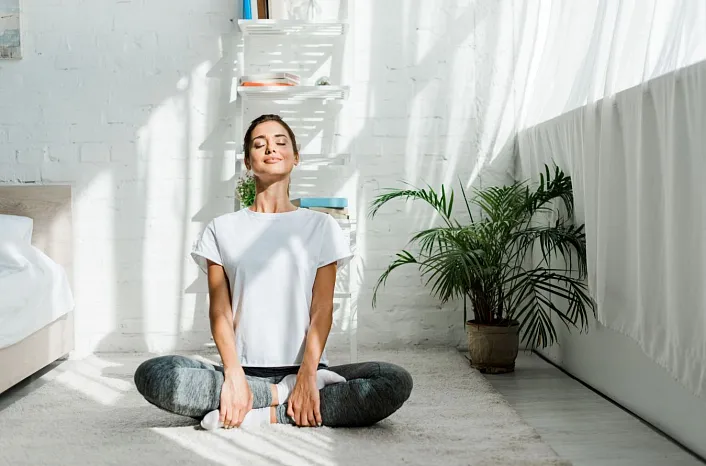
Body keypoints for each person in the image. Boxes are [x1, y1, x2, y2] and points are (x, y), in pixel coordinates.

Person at [134, 114, 413, 429]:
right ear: (247, 161)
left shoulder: (322, 226)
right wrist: (233, 375)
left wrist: (307, 375)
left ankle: (261, 411)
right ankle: (282, 396)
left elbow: (322, 309)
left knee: (392, 380)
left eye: (281, 142)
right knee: (154, 374)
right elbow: (220, 312)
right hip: (242, 370)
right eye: (259, 144)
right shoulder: (221, 229)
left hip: (307, 369)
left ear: (296, 157)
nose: (271, 148)